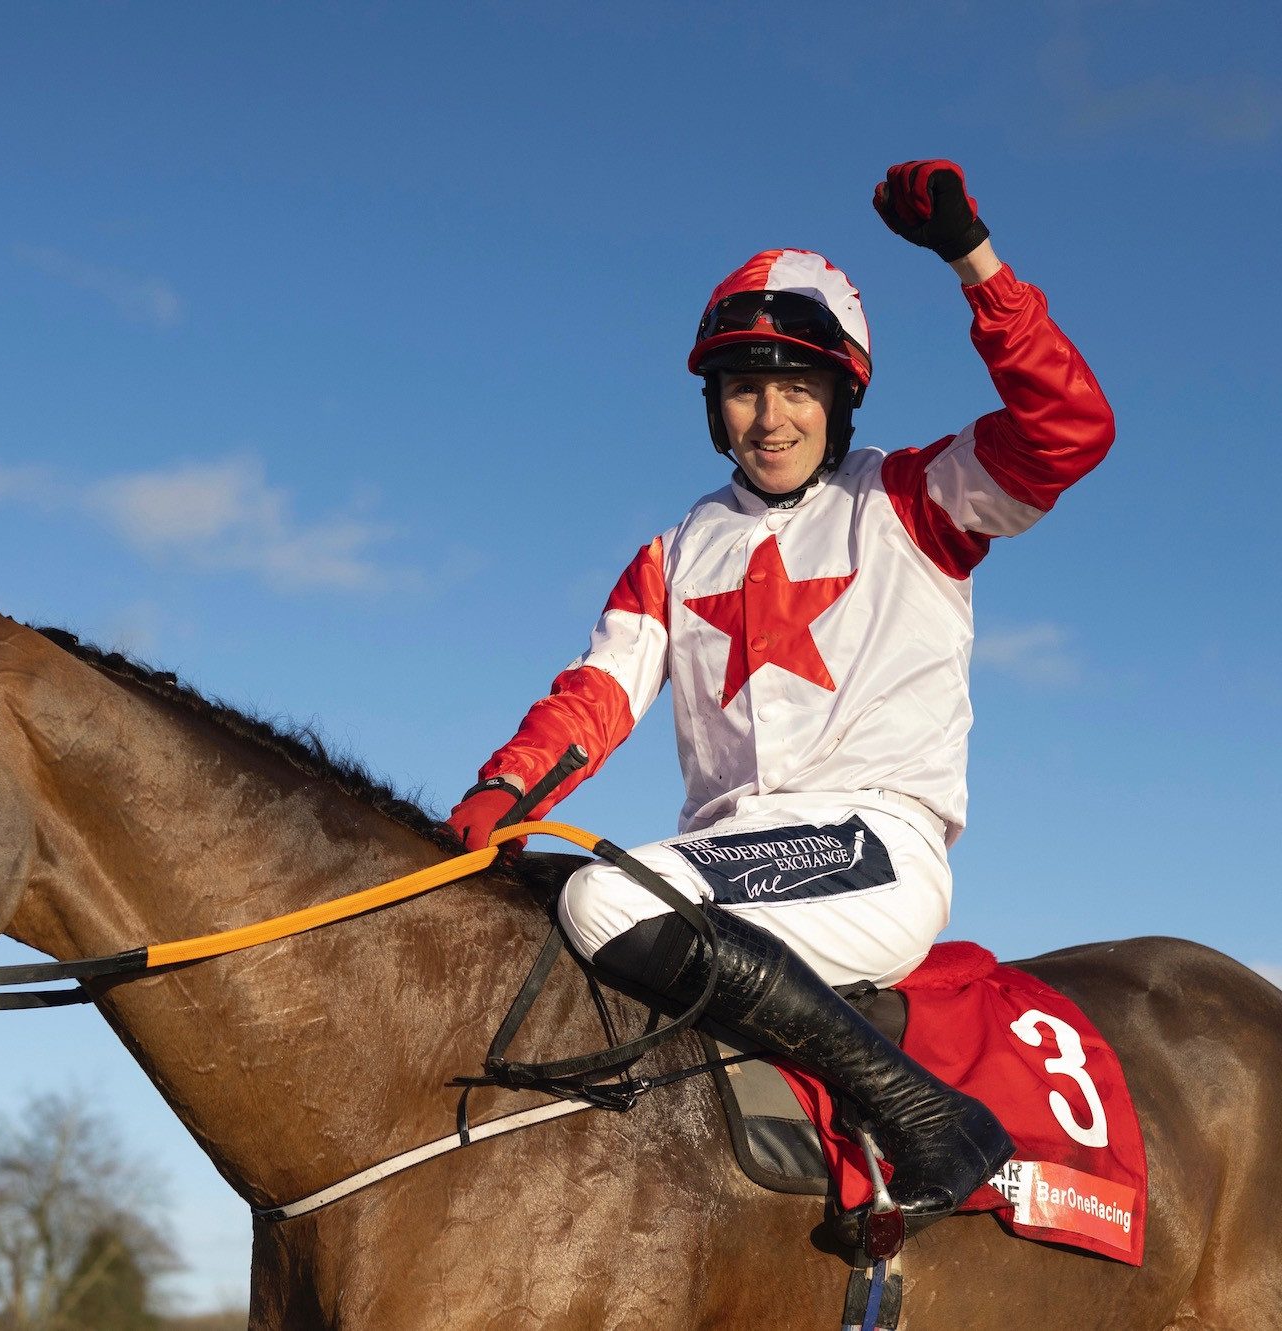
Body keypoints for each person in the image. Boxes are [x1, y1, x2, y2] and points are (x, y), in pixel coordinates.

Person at [443, 160, 1115, 1226]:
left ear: (843, 396)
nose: (770, 415)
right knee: (529, 908)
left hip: (871, 845)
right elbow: (595, 695)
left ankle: (931, 1119)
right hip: (740, 865)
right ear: (714, 406)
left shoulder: (916, 496)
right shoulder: (672, 552)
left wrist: (972, 260)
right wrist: (504, 786)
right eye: (745, 388)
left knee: (602, 896)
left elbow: (1068, 431)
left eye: (798, 385)